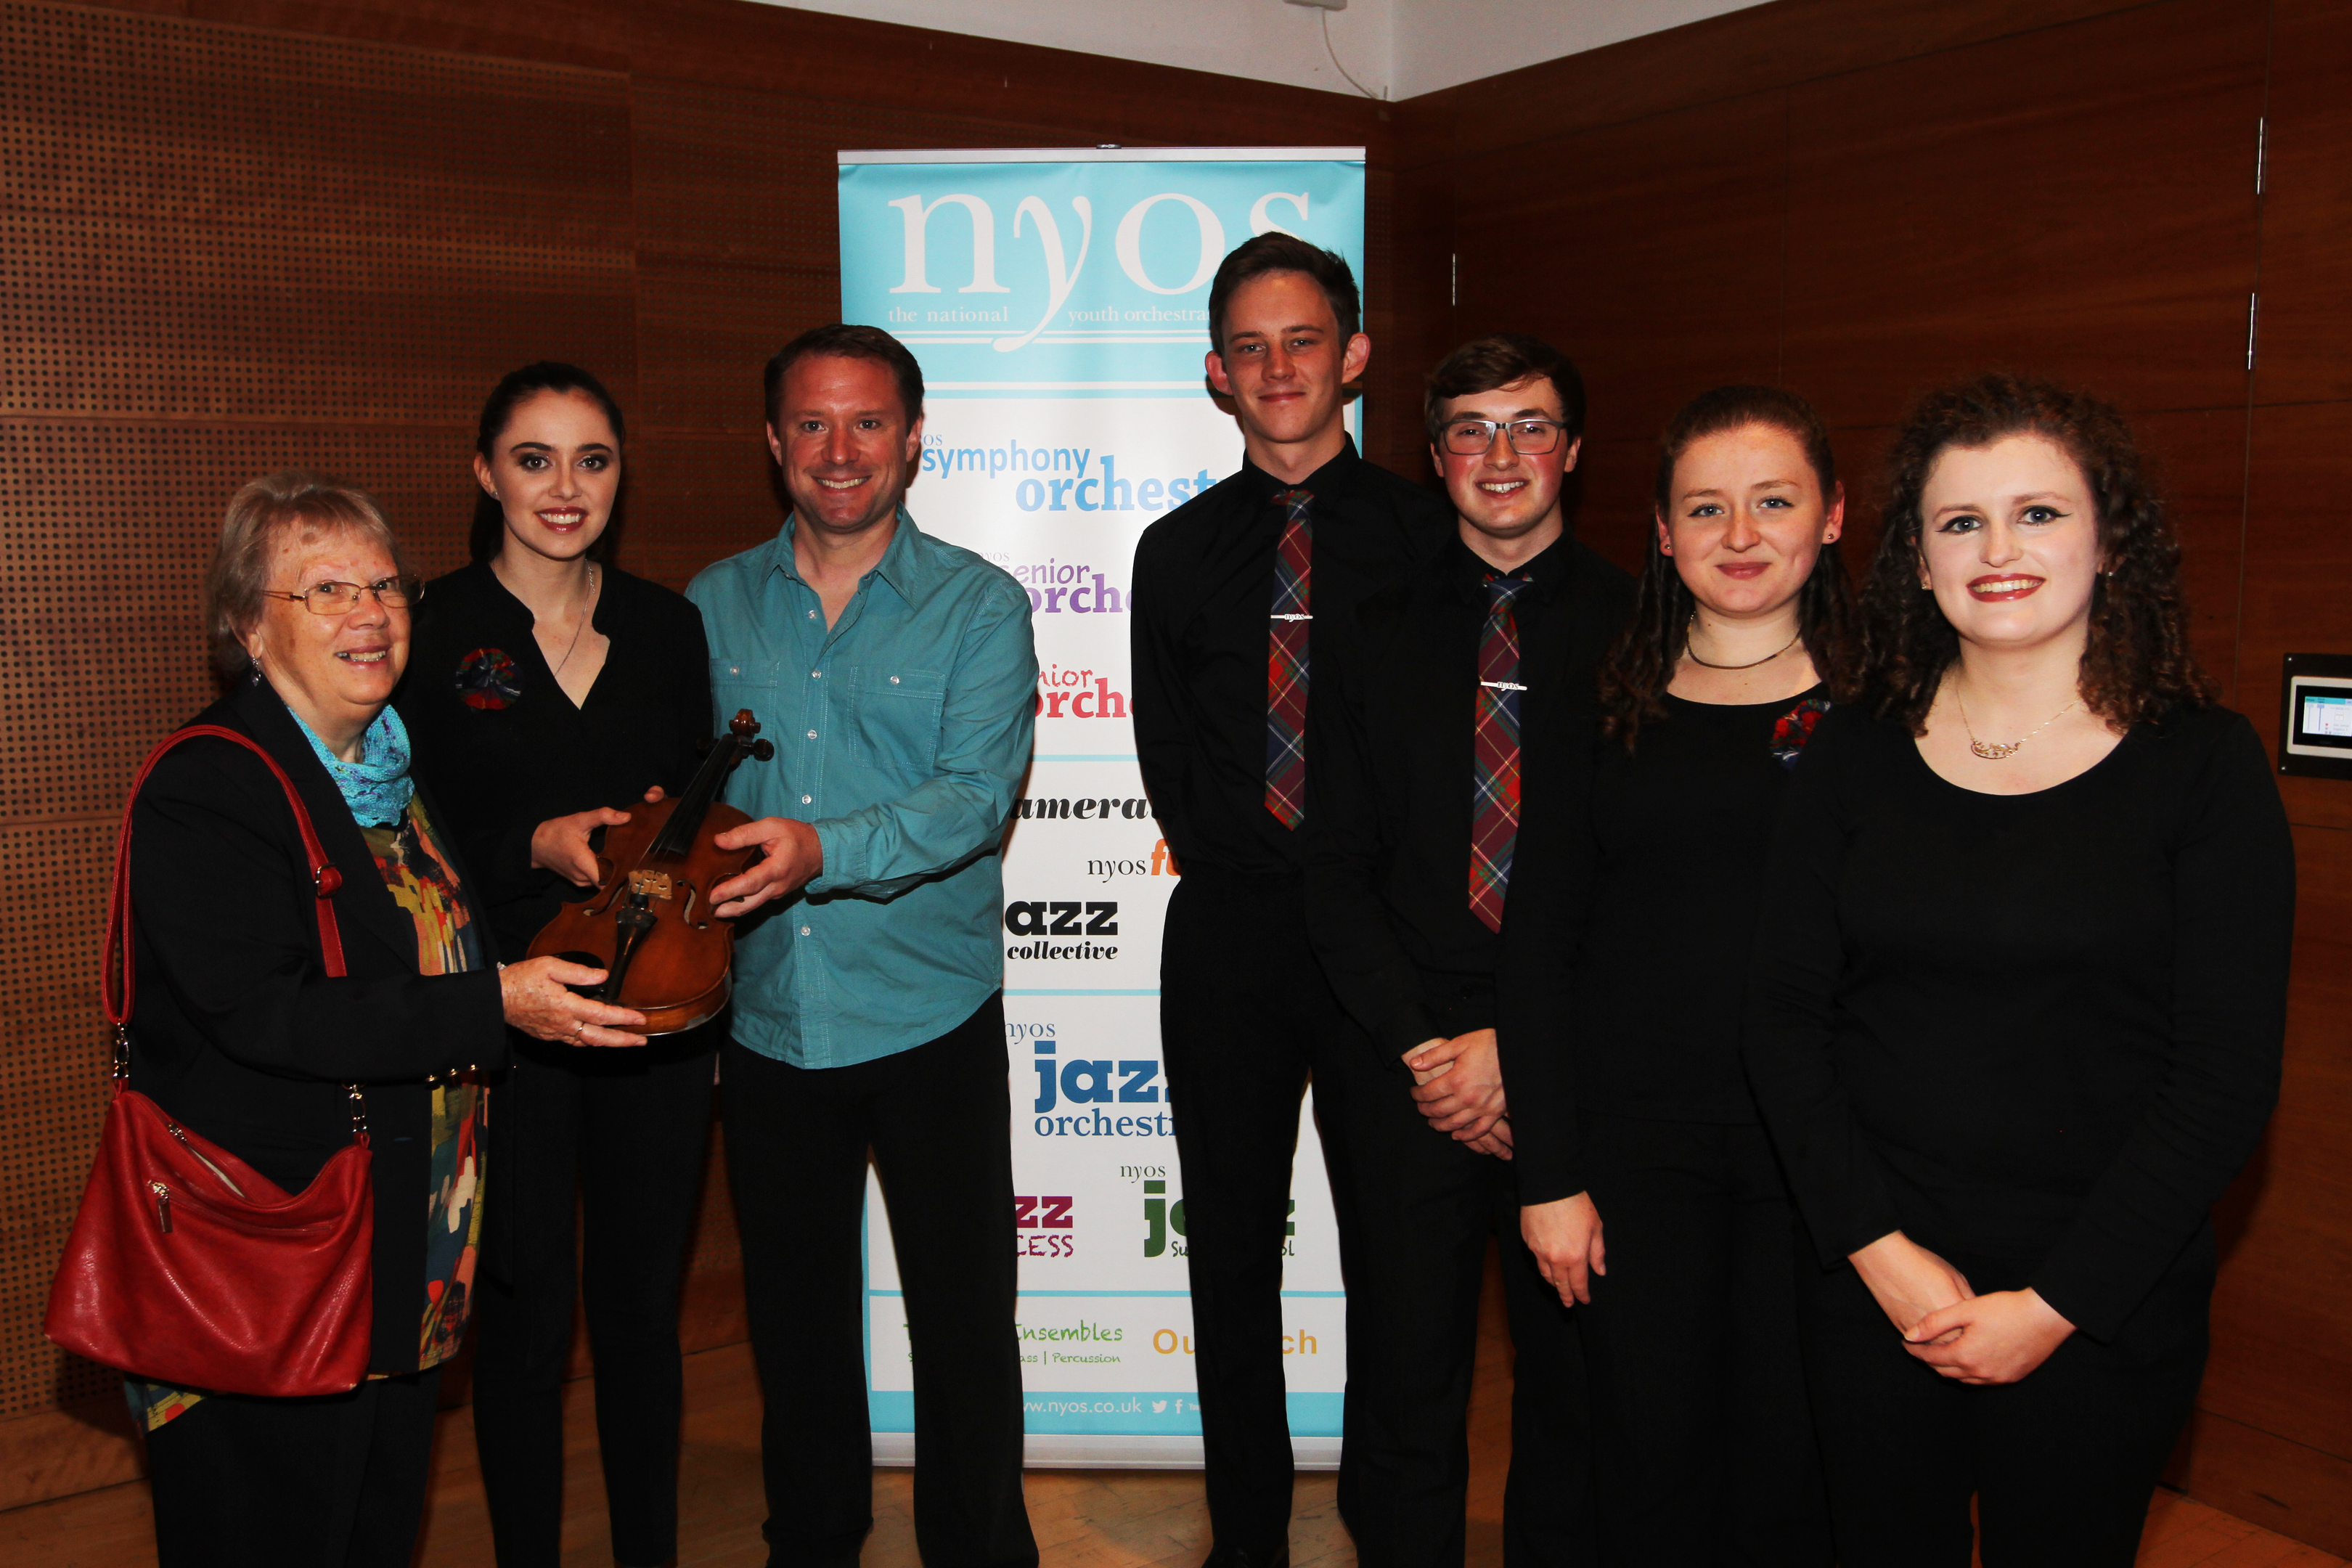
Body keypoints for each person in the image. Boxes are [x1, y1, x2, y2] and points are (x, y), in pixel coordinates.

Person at [1743, 373, 2296, 1567]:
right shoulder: (1851, 752)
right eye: (1961, 522)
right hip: (1872, 1280)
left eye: (2038, 514)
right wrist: (1882, 1260)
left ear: (2109, 538)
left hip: (2103, 1295)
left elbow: (2225, 1075)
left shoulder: (2204, 766)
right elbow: (1782, 1020)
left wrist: (2052, 1309)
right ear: (1921, 565)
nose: (2000, 550)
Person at [128, 470, 643, 1566]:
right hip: (272, 1261)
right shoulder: (212, 783)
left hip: (406, 1260)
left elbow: (426, 955)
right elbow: (268, 1014)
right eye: (323, 590)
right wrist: (496, 1001)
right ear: (246, 627)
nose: (369, 612)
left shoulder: (392, 777)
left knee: (371, 1532)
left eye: (384, 585)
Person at [687, 323, 1040, 1568]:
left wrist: (820, 849)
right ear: (774, 441)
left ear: (912, 438)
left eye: (869, 423)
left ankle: (982, 1549)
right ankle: (815, 1544)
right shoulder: (711, 603)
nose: (842, 452)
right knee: (797, 1327)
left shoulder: (979, 604)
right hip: (771, 1017)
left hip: (931, 1012)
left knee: (961, 1323)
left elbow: (973, 800)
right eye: (813, 425)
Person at [1130, 232, 1450, 1568]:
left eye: (1303, 340)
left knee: (1403, 1265)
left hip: (1389, 950)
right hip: (1232, 940)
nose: (1278, 368)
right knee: (1229, 1265)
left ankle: (1392, 1525)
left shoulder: (1434, 538)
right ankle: (1247, 1534)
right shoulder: (1173, 549)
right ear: (1217, 372)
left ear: (1356, 356)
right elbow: (1169, 761)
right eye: (1251, 347)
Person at [1511, 385, 1850, 1565]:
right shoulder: (1600, 703)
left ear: (1835, 516)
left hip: (1822, 1167)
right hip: (1630, 1157)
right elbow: (1540, 947)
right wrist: (1549, 1174)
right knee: (1646, 1468)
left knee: (1791, 1471)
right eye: (1707, 507)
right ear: (1661, 530)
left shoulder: (1890, 712)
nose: (1741, 535)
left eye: (1774, 501)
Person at [1304, 333, 1629, 1567]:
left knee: (1579, 1380)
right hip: (1404, 1060)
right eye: (1472, 431)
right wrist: (1436, 1049)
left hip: (1584, 1055)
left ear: (1576, 451)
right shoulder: (1368, 627)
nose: (1503, 455)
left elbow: (1648, 885)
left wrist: (1526, 1047)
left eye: (1532, 426)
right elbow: (1329, 868)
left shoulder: (1645, 627)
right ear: (1435, 458)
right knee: (1403, 1373)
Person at [396, 362, 715, 1568]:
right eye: (535, 460)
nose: (564, 488)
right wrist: (527, 844)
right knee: (523, 1326)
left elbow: (684, 824)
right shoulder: (428, 628)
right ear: (487, 474)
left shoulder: (669, 626)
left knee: (641, 1320)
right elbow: (403, 842)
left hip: (654, 1028)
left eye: (592, 460)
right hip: (513, 1024)